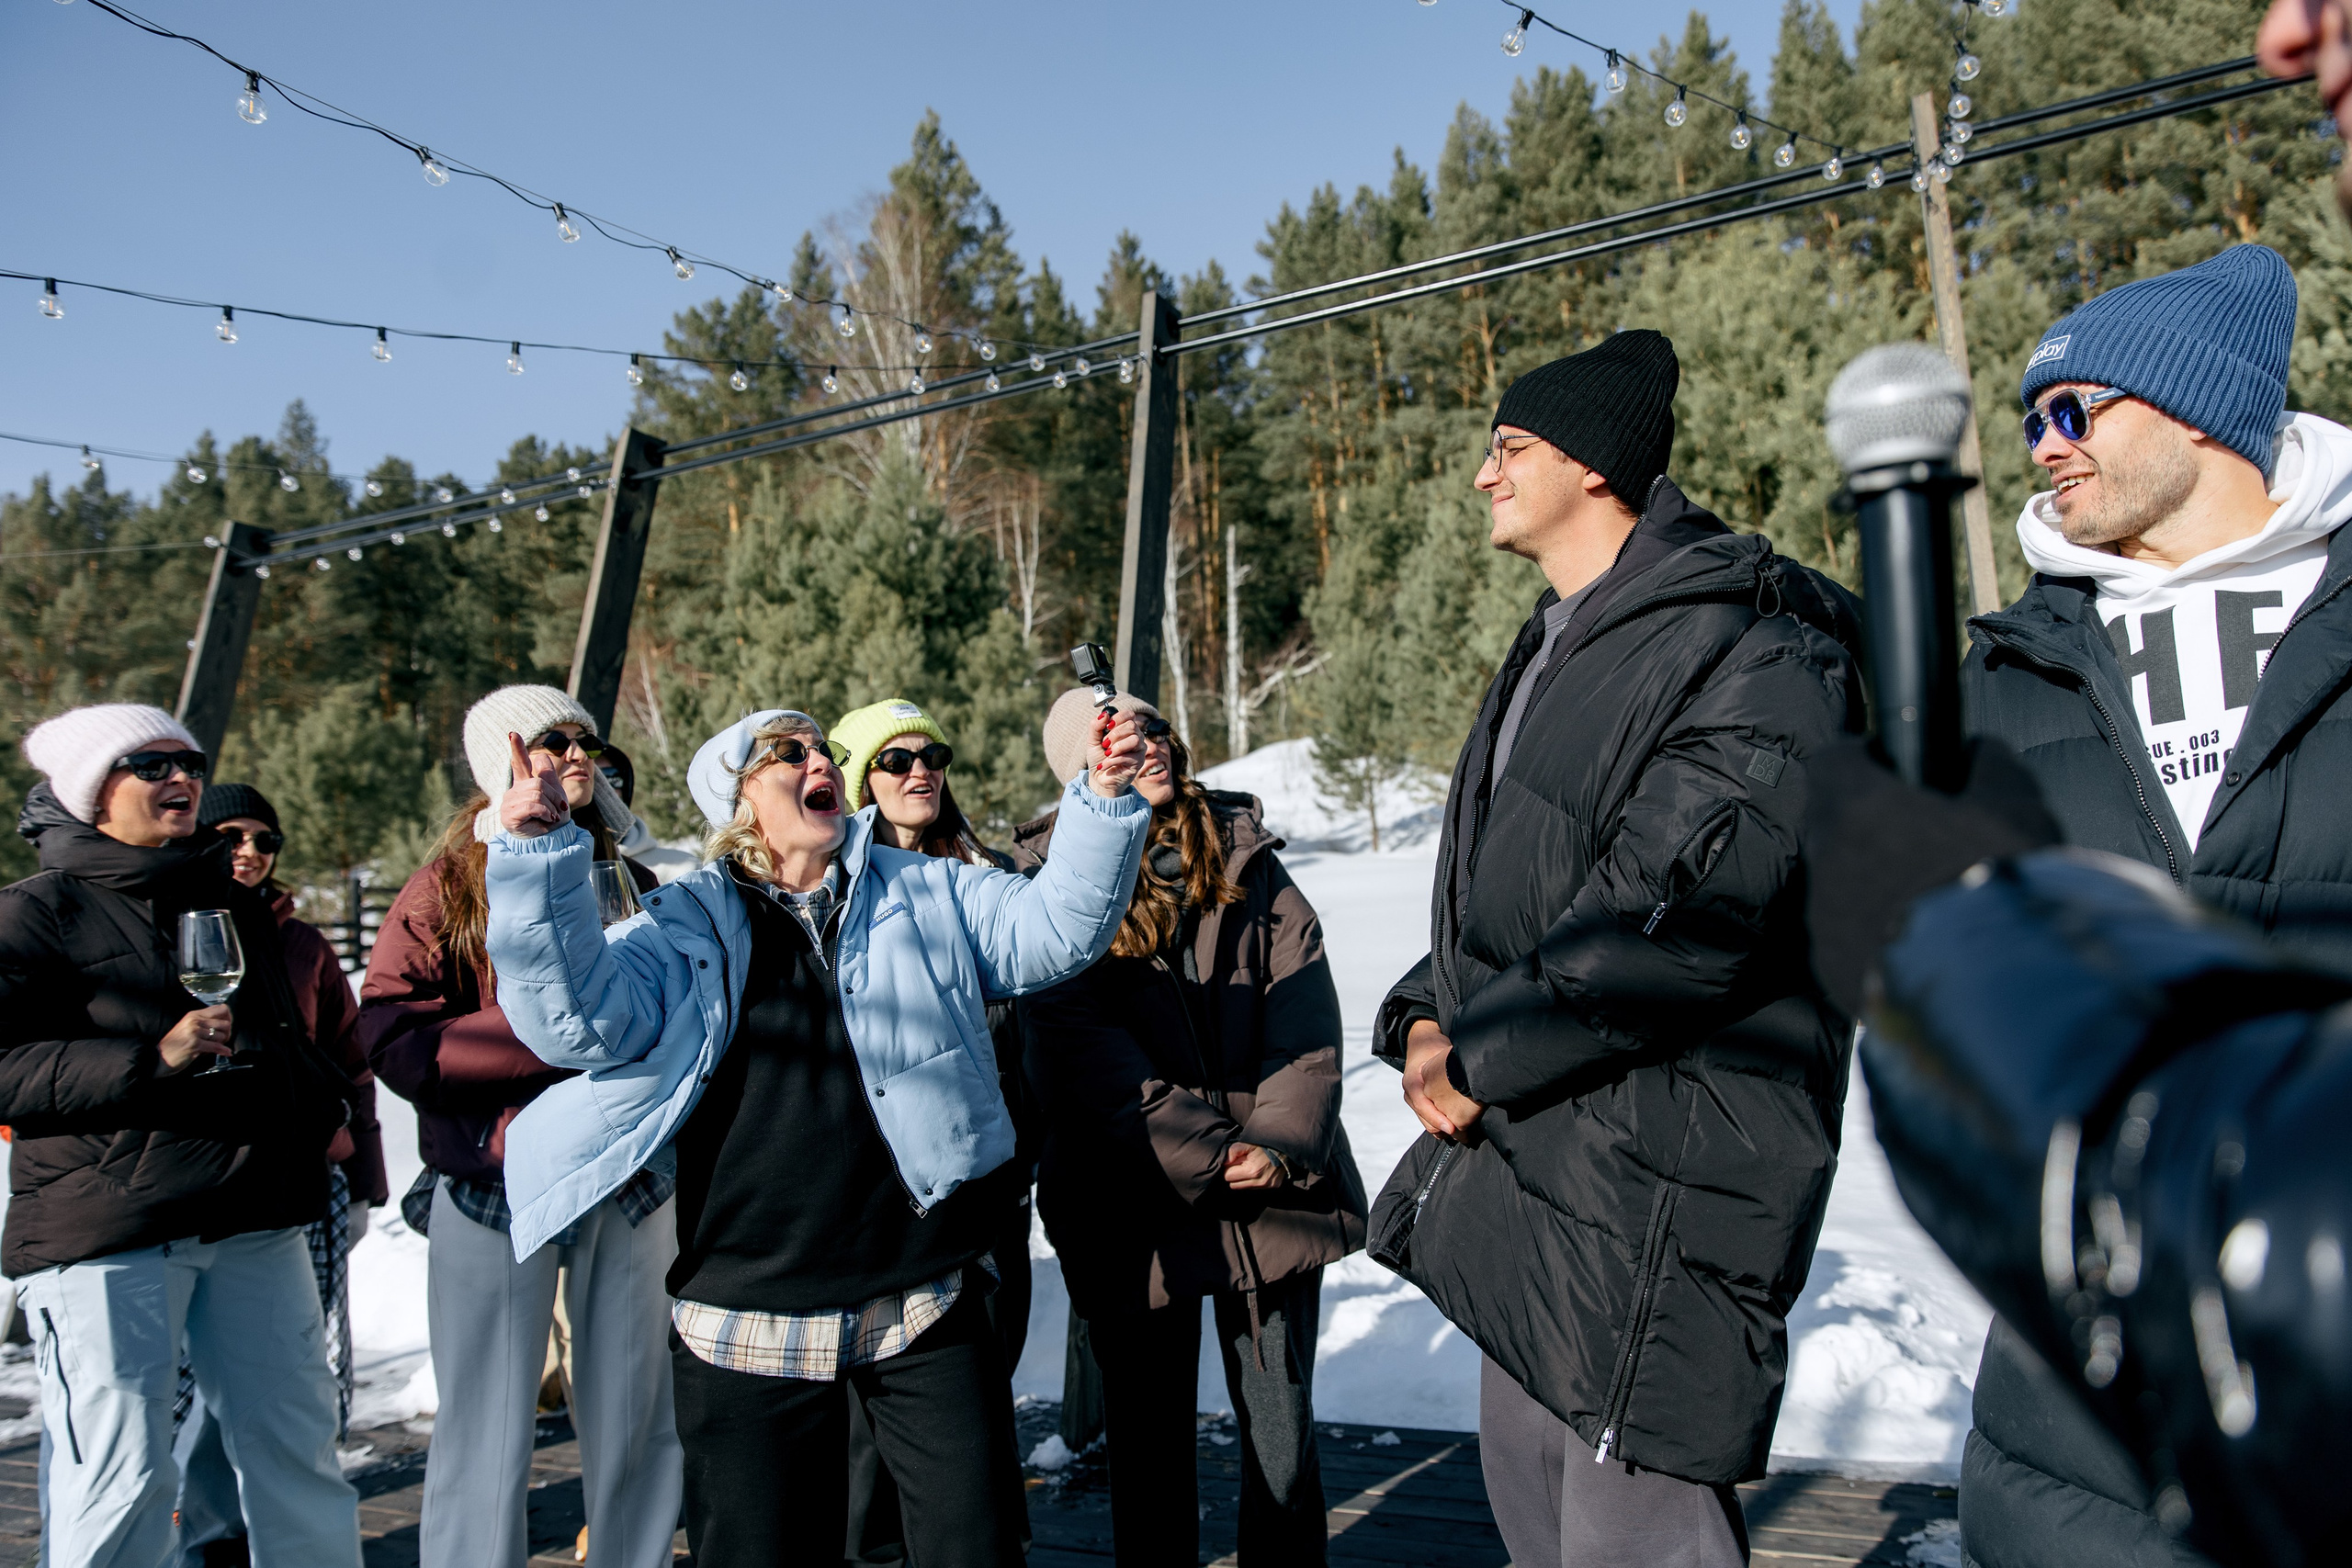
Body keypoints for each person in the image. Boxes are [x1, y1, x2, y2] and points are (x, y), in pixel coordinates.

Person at [1367, 331, 1864, 1567]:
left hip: (1654, 1196)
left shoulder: (1752, 642)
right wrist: (1424, 1016)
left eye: (1509, 447)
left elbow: (1670, 917)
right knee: (1539, 1535)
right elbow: (1510, 891)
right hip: (1533, 1181)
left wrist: (1474, 1058)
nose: (1482, 474)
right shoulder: (1557, 640)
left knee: (1634, 1545)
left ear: (1593, 464)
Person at [481, 705, 1149, 1568]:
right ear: (742, 796)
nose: (817, 761)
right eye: (787, 752)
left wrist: (1102, 798)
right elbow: (578, 1020)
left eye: (821, 748)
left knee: (976, 1548)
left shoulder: (925, 889)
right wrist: (537, 856)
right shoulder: (684, 923)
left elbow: (1056, 930)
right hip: (747, 1318)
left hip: (920, 1298)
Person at [1944, 242, 2351, 1568]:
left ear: (2195, 409)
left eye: (2072, 410)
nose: (2043, 448)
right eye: (2029, 422)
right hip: (2075, 1429)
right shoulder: (2008, 676)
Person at [1, 704, 361, 1568]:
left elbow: (279, 1036)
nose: (183, 779)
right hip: (111, 1228)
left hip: (253, 1212)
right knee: (122, 1478)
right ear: (93, 790)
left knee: (301, 1456)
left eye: (192, 763)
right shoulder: (34, 911)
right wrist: (150, 1059)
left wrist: (318, 1103)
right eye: (153, 765)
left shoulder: (231, 903)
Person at [1016, 686, 1366, 1568]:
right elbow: (1079, 1048)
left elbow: (1306, 1010)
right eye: (1121, 739)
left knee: (1281, 1437)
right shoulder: (1048, 883)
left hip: (1271, 1192)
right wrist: (1213, 1150)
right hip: (1132, 1201)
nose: (1151, 747)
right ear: (1082, 768)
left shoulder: (1246, 854)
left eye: (1157, 729)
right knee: (1149, 1445)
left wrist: (1279, 1142)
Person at [357, 686, 681, 1568]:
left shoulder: (631, 877)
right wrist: (555, 1037)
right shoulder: (448, 884)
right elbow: (394, 1037)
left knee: (637, 1417)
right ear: (498, 761)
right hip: (494, 1176)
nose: (575, 754)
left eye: (585, 739)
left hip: (627, 1172)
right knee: (485, 1426)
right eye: (551, 740)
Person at [829, 698, 1040, 1564]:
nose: (921, 770)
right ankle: (874, 1548)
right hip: (883, 1192)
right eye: (894, 758)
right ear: (854, 779)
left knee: (986, 1377)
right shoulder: (830, 893)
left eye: (933, 754)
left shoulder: (986, 875)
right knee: (878, 1404)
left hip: (994, 1178)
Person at [175, 783, 387, 1567]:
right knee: (192, 1380)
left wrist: (363, 1175)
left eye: (266, 840)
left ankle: (260, 1530)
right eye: (232, 835)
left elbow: (349, 1060)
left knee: (286, 1374)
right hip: (199, 1186)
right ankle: (206, 1531)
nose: (250, 852)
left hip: (302, 1178)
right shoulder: (175, 924)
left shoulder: (302, 943)